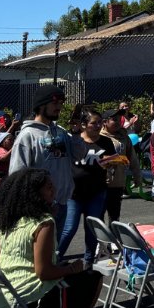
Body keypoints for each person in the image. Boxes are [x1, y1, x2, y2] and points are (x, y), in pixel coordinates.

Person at [0, 168, 103, 308]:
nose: (54, 190)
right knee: (93, 278)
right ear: (34, 193)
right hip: (26, 296)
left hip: (0, 297)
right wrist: (71, 268)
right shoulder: (43, 222)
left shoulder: (7, 220)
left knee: (73, 281)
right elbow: (43, 272)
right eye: (49, 187)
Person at [8, 86, 78, 236]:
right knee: (41, 254)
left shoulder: (61, 132)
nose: (59, 107)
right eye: (54, 103)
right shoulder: (27, 136)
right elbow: (17, 176)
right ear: (41, 105)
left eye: (61, 103)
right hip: (39, 208)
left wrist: (77, 132)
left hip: (62, 202)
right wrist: (32, 204)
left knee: (54, 253)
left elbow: (79, 155)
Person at [56, 110, 120, 267]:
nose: (97, 126)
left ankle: (88, 262)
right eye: (93, 123)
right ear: (84, 125)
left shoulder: (106, 142)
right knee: (69, 228)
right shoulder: (74, 141)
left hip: (96, 192)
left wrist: (111, 164)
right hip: (74, 193)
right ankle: (55, 257)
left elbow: (110, 162)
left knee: (91, 229)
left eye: (99, 122)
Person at [101, 108, 141, 224]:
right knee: (99, 216)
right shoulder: (98, 137)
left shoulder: (124, 137)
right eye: (114, 120)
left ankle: (114, 239)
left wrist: (137, 176)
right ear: (104, 122)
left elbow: (133, 158)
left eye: (119, 120)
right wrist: (115, 160)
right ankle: (101, 241)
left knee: (114, 217)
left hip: (118, 183)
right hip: (101, 184)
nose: (118, 122)